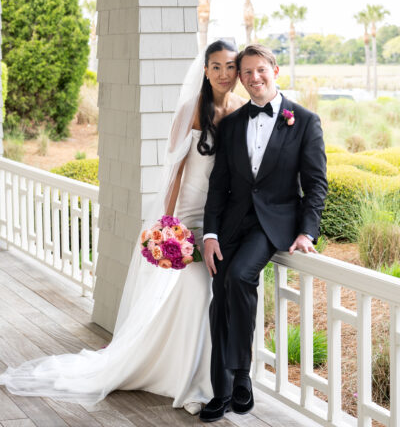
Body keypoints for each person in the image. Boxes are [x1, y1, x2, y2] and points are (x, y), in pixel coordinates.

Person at [0, 39, 247, 415]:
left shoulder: (242, 110)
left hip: (220, 220)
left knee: (212, 298)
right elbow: (175, 171)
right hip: (188, 214)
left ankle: (211, 376)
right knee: (199, 294)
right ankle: (190, 379)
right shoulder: (191, 110)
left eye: (230, 66)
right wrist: (169, 225)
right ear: (205, 70)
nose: (224, 74)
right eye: (216, 66)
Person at [199, 44, 328, 423]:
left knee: (240, 276)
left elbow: (316, 184)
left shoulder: (304, 120)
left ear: (275, 69)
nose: (254, 78)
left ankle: (240, 374)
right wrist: (209, 234)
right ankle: (221, 393)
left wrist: (308, 232)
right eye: (247, 73)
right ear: (240, 78)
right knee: (219, 296)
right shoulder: (232, 124)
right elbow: (218, 184)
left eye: (261, 70)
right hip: (231, 223)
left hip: (272, 224)